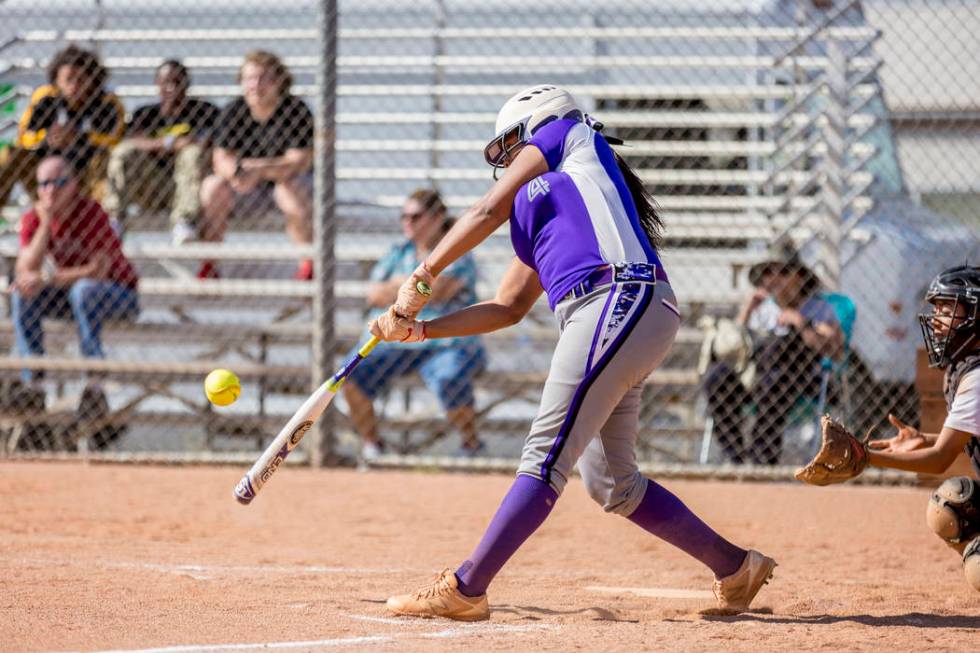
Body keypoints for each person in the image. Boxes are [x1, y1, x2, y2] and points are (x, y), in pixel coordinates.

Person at [367, 85, 776, 620]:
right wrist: (420, 331)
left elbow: (485, 209)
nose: (508, 161)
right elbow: (508, 306)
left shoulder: (569, 131)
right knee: (611, 482)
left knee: (544, 457)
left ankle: (466, 587)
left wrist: (420, 278)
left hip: (616, 299)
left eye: (510, 146)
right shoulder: (549, 204)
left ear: (539, 122)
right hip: (624, 313)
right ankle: (735, 567)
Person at [800, 265, 980, 593]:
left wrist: (865, 457)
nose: (937, 318)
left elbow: (940, 460)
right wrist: (922, 438)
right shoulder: (966, 369)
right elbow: (958, 441)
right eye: (936, 308)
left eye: (949, 309)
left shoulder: (977, 377)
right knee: (952, 504)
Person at [343, 189, 487, 461]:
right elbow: (374, 294)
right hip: (397, 341)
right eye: (403, 216)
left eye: (415, 216)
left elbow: (438, 291)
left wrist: (400, 286)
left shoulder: (457, 249)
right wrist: (415, 285)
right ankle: (373, 445)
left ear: (438, 217)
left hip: (446, 342)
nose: (407, 222)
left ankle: (471, 445)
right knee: (351, 375)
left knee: (449, 377)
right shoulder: (399, 251)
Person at [9, 155, 139, 422]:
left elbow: (99, 271)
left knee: (84, 290)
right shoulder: (34, 216)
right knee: (22, 293)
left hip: (117, 294)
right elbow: (24, 270)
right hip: (67, 297)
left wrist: (46, 279)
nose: (50, 190)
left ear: (74, 185)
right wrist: (45, 224)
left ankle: (94, 384)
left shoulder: (91, 212)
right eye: (44, 184)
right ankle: (33, 382)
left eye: (59, 182)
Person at [703, 240, 843, 464]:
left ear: (799, 276)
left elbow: (835, 351)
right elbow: (733, 345)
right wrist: (747, 311)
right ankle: (736, 459)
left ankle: (761, 461)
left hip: (797, 378)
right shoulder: (762, 309)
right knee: (717, 377)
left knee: (777, 358)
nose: (775, 278)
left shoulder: (817, 307)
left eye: (784, 271)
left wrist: (800, 323)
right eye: (769, 272)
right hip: (756, 376)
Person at [198, 50, 314, 280]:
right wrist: (237, 173)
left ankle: (308, 266)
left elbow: (299, 162)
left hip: (289, 185)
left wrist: (259, 168)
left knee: (287, 190)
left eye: (263, 78)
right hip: (246, 188)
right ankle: (209, 265)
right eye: (249, 78)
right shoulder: (233, 111)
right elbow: (220, 159)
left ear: (279, 81)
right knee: (213, 185)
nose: (255, 85)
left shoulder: (296, 110)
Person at [103, 60, 220, 243]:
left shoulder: (204, 111)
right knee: (122, 152)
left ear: (187, 84)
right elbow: (131, 141)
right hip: (152, 185)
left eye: (177, 82)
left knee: (192, 153)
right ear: (157, 83)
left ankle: (184, 221)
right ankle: (115, 217)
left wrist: (177, 145)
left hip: (190, 187)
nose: (171, 87)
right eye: (166, 82)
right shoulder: (145, 114)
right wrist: (167, 143)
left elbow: (207, 141)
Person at [0, 45, 124, 206]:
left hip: (86, 175)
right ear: (57, 80)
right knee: (10, 154)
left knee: (105, 160)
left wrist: (79, 138)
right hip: (46, 177)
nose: (74, 85)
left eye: (81, 79)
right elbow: (24, 137)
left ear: (94, 80)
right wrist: (47, 138)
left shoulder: (107, 104)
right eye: (68, 79)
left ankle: (96, 214)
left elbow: (116, 140)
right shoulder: (46, 98)